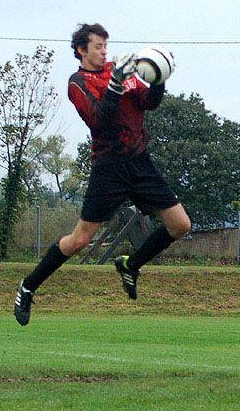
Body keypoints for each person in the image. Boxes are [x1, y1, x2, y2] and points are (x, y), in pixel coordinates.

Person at [13, 23, 191, 326]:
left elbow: (149, 102)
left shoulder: (119, 70)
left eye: (106, 47)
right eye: (98, 47)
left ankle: (130, 265)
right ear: (82, 50)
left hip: (139, 161)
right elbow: (99, 120)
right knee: (80, 240)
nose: (104, 52)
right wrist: (115, 85)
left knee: (180, 225)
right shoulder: (78, 82)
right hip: (108, 168)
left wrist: (160, 78)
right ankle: (28, 286)